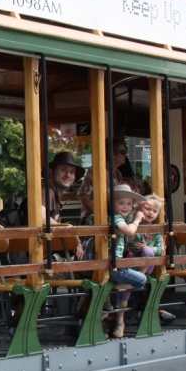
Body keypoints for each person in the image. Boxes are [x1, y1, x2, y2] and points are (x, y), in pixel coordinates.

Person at [107, 184, 151, 339]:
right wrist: (138, 218)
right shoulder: (116, 217)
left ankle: (108, 291)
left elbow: (131, 237)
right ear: (113, 203)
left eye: (129, 204)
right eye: (121, 203)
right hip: (115, 267)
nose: (125, 207)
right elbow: (130, 231)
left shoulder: (122, 217)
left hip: (113, 266)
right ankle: (108, 290)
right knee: (142, 280)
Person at [78, 143, 127, 221]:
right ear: (112, 154)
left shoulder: (118, 174)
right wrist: (99, 216)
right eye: (123, 152)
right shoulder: (97, 171)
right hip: (92, 221)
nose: (126, 155)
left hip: (110, 220)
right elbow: (83, 195)